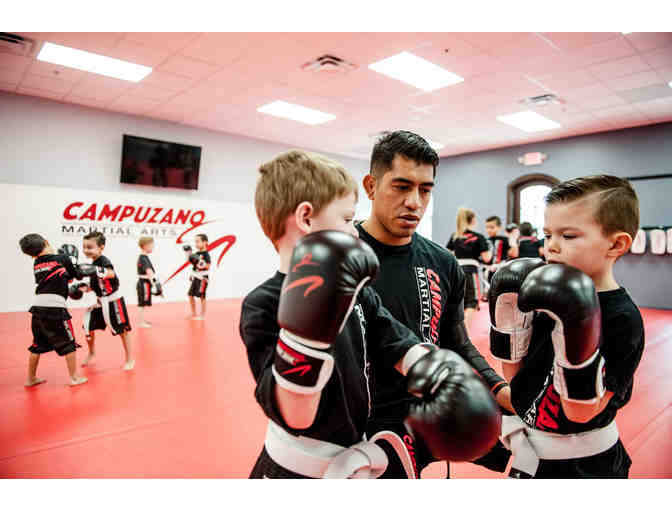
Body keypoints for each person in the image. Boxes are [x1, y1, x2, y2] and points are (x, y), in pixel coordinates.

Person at [240, 149, 501, 478]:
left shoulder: (358, 291)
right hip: (292, 472)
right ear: (306, 218)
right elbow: (296, 416)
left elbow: (395, 340)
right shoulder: (262, 304)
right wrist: (305, 331)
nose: (354, 232)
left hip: (358, 455)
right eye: (347, 219)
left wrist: (438, 373)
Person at [356, 131, 512, 478]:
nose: (414, 202)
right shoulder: (342, 255)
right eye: (401, 186)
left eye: (425, 190)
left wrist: (499, 389)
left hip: (425, 418)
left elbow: (456, 342)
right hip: (357, 430)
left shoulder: (442, 262)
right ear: (371, 186)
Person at [489, 174, 644, 478]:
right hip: (532, 458)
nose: (552, 247)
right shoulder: (541, 298)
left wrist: (574, 328)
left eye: (569, 236)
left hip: (588, 467)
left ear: (616, 244)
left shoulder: (622, 319)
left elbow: (580, 412)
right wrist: (510, 328)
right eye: (548, 235)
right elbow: (518, 385)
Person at [19, 234, 88, 387]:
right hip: (55, 308)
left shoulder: (36, 263)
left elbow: (58, 277)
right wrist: (73, 261)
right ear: (46, 242)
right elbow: (77, 275)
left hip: (38, 308)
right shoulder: (62, 258)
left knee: (37, 344)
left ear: (31, 254)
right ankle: (74, 378)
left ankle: (30, 379)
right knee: (69, 343)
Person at [78, 231, 134, 371]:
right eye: (84, 247)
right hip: (100, 302)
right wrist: (85, 287)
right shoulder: (94, 264)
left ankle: (130, 359)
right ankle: (92, 353)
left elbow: (111, 274)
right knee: (88, 326)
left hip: (114, 301)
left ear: (101, 247)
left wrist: (95, 270)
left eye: (90, 247)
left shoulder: (103, 261)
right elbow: (99, 284)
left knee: (123, 331)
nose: (86, 250)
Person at [446, 207, 492, 332]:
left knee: (458, 303)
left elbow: (448, 255)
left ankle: (456, 335)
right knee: (472, 302)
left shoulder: (455, 236)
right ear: (473, 220)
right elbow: (487, 258)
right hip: (470, 272)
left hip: (455, 272)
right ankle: (463, 336)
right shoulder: (478, 237)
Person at [136, 236, 162, 328]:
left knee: (143, 302)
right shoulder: (143, 258)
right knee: (142, 303)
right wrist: (156, 284)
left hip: (145, 282)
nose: (153, 247)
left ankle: (142, 320)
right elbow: (149, 272)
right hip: (144, 283)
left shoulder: (144, 257)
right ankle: (141, 322)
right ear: (145, 246)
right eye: (151, 245)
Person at [185, 234, 210, 320]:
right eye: (195, 242)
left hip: (203, 278)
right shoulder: (196, 253)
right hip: (196, 276)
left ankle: (202, 315)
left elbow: (207, 266)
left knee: (202, 296)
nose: (196, 244)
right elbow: (192, 263)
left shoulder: (206, 254)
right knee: (190, 295)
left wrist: (200, 262)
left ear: (205, 242)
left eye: (198, 241)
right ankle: (194, 313)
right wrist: (188, 253)